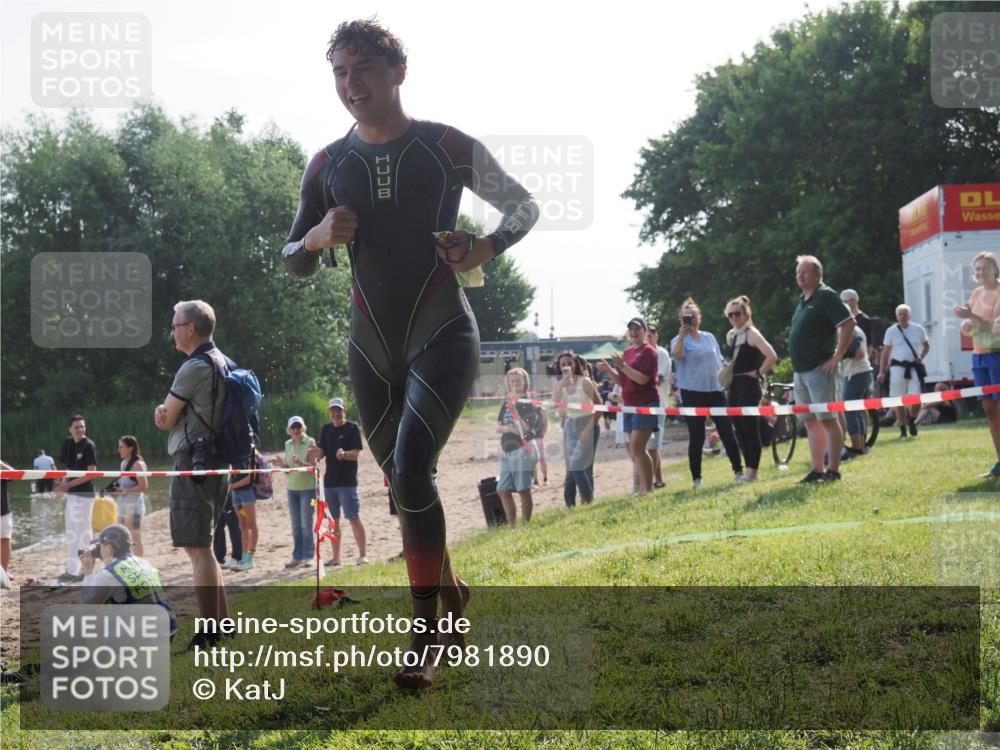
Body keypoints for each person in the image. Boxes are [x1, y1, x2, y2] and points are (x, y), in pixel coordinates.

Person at [281, 20, 537, 688]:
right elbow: (291, 260)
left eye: (363, 68)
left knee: (415, 470)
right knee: (401, 485)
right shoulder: (327, 163)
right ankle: (452, 596)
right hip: (370, 345)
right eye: (339, 72)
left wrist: (486, 247)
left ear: (397, 71)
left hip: (442, 329)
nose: (350, 84)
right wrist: (312, 238)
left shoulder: (446, 145)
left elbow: (522, 206)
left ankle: (426, 635)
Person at [154, 299, 230, 640]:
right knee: (207, 547)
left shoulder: (194, 367)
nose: (171, 332)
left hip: (193, 463)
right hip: (217, 462)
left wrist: (162, 412)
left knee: (198, 549)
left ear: (190, 329)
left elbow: (166, 418)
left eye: (174, 325)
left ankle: (210, 631)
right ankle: (224, 626)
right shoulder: (224, 362)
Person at [788, 255, 856, 483]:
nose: (799, 276)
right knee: (810, 421)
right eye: (798, 272)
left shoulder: (826, 295)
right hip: (801, 370)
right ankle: (816, 469)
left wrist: (837, 357)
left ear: (817, 274)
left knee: (828, 418)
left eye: (804, 272)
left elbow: (848, 323)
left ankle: (833, 470)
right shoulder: (804, 299)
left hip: (820, 369)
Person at [669, 301, 745, 489]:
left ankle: (739, 471)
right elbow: (677, 356)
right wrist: (681, 336)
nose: (690, 319)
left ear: (699, 318)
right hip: (692, 393)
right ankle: (697, 478)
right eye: (686, 317)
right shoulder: (677, 340)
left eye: (693, 316)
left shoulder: (709, 337)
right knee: (697, 436)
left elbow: (719, 359)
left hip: (715, 391)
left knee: (727, 432)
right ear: (681, 320)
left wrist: (727, 370)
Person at [598, 317, 660, 495]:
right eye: (631, 329)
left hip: (645, 403)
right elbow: (623, 381)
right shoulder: (627, 352)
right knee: (635, 450)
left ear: (645, 331)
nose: (633, 332)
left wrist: (622, 366)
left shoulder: (650, 352)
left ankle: (648, 489)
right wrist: (609, 370)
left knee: (637, 447)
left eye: (637, 329)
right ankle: (643, 488)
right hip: (629, 404)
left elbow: (642, 379)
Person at [80, 524, 176, 637]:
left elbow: (88, 607)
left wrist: (88, 573)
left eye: (100, 547)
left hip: (145, 638)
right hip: (169, 629)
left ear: (109, 548)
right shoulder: (143, 562)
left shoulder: (108, 574)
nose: (99, 551)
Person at [954, 251, 1000, 477]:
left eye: (985, 268)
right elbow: (970, 325)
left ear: (995, 270)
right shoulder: (976, 293)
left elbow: (995, 327)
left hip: (996, 354)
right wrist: (966, 323)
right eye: (978, 269)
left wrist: (972, 318)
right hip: (979, 356)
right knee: (990, 411)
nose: (981, 272)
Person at [723, 296, 777, 482]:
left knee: (749, 429)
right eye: (730, 315)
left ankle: (753, 473)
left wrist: (758, 373)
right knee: (739, 429)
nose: (734, 317)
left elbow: (771, 355)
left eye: (737, 313)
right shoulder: (733, 335)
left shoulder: (752, 333)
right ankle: (748, 471)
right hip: (734, 386)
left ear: (746, 314)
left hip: (749, 386)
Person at [310, 398, 369, 568]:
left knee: (353, 518)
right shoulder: (326, 429)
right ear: (329, 412)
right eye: (333, 410)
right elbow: (322, 452)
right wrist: (315, 453)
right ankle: (336, 558)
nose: (336, 413)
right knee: (333, 521)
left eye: (339, 410)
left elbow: (356, 454)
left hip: (348, 482)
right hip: (329, 483)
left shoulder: (352, 428)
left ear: (344, 411)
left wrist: (345, 454)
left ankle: (363, 555)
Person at [496, 368, 546, 524]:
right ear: (508, 384)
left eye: (518, 380)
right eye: (512, 381)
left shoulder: (528, 403)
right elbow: (498, 427)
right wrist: (510, 428)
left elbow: (526, 429)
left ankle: (525, 524)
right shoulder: (506, 403)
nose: (515, 383)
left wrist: (515, 415)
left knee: (523, 489)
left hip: (523, 449)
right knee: (502, 490)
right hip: (507, 450)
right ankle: (512, 526)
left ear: (525, 382)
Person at [52, 415, 98, 583]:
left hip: (85, 494)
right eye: (77, 427)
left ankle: (87, 570)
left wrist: (66, 486)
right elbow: (68, 470)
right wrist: (61, 488)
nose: (80, 429)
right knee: (71, 531)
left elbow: (91, 473)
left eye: (82, 427)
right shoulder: (68, 443)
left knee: (84, 531)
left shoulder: (89, 445)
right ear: (69, 429)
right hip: (72, 494)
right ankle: (72, 570)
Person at [553, 352, 601, 507]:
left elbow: (599, 407)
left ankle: (587, 501)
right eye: (563, 364)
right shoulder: (560, 385)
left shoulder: (585, 382)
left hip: (589, 423)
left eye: (569, 363)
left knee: (580, 466)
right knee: (572, 468)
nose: (566, 366)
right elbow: (558, 409)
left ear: (575, 364)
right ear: (559, 368)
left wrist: (588, 430)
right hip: (570, 425)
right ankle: (570, 504)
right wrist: (560, 387)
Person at [270, 416, 318, 568]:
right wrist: (281, 465)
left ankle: (309, 556)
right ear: (289, 430)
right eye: (293, 427)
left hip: (308, 489)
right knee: (296, 526)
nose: (296, 430)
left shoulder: (310, 442)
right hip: (292, 489)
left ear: (303, 427)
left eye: (298, 427)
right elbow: (289, 471)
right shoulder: (287, 444)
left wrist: (301, 463)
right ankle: (297, 556)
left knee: (307, 524)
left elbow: (313, 468)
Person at [878, 304, 930, 439]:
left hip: (913, 366)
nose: (903, 316)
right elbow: (886, 352)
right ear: (896, 316)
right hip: (897, 367)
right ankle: (902, 428)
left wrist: (921, 356)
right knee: (897, 399)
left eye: (905, 314)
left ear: (909, 315)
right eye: (900, 314)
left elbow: (926, 346)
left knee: (916, 397)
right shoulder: (891, 331)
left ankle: (912, 419)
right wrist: (882, 371)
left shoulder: (918, 329)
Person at [839, 312, 874, 459]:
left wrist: (838, 355)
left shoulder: (849, 330)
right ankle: (859, 447)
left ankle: (857, 447)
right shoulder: (854, 328)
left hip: (856, 373)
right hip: (860, 373)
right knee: (856, 411)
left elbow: (859, 354)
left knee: (850, 412)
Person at [108, 436, 148, 556]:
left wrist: (124, 491)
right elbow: (124, 483)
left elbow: (144, 486)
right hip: (123, 505)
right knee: (123, 535)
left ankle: (139, 564)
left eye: (121, 447)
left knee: (135, 536)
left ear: (130, 448)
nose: (118, 450)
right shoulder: (123, 463)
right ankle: (129, 561)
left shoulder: (138, 464)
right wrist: (112, 488)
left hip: (135, 505)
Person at [646, 326, 672, 489]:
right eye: (645, 335)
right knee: (650, 447)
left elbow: (659, 378)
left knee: (652, 446)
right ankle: (659, 480)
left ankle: (650, 481)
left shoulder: (661, 354)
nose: (648, 338)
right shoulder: (644, 354)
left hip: (658, 403)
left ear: (657, 336)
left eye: (650, 335)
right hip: (646, 404)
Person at [226, 453, 259, 571]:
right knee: (243, 525)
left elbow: (251, 477)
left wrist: (233, 485)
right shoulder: (233, 455)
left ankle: (250, 558)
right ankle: (244, 557)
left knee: (251, 525)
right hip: (236, 495)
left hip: (247, 494)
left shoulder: (250, 454)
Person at [1, 460, 11, 579]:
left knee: (5, 540)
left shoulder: (2, 469)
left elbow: (15, 473)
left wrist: (1, 464)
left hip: (3, 510)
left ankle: (4, 571)